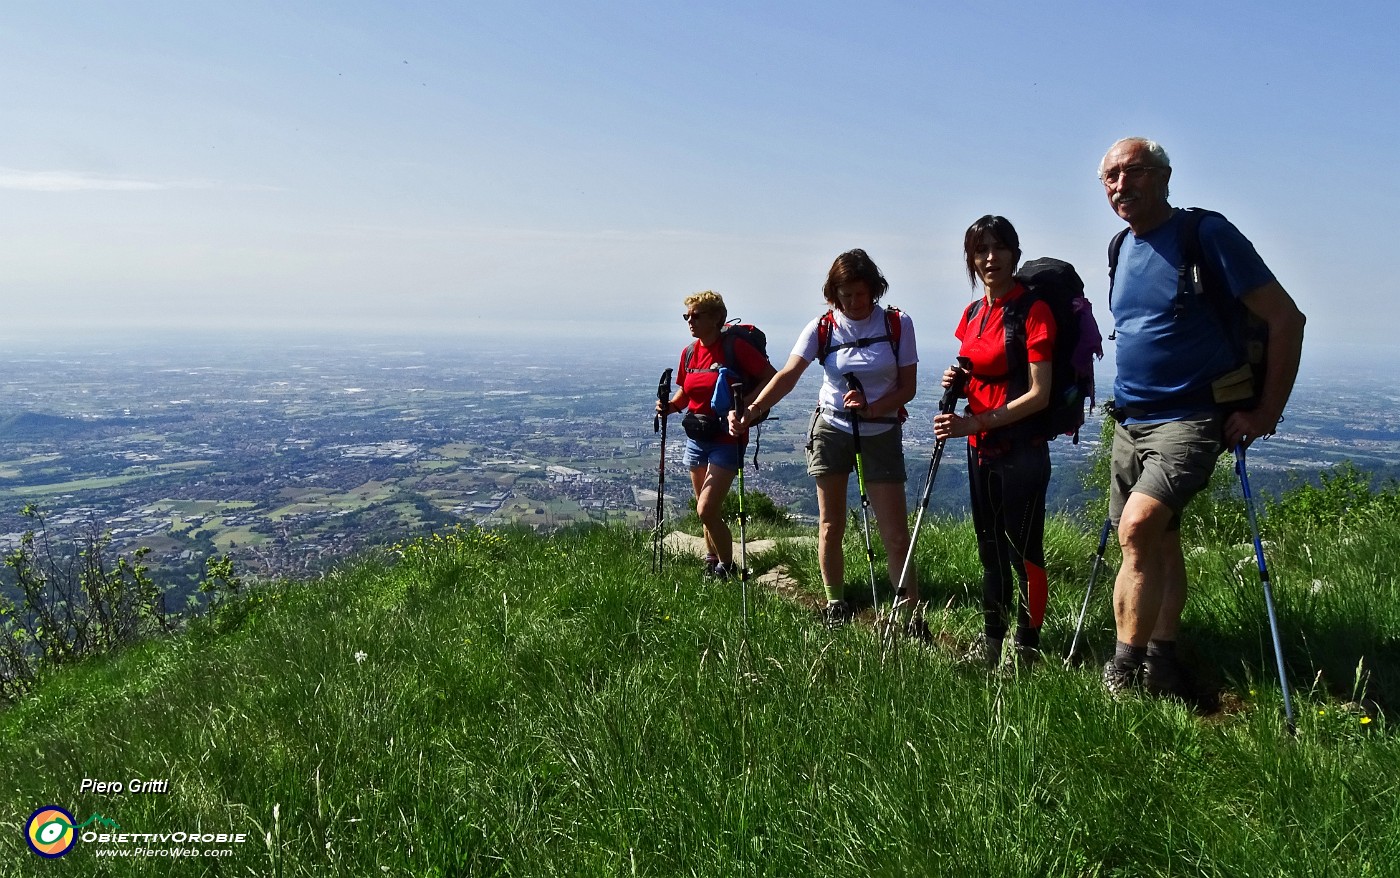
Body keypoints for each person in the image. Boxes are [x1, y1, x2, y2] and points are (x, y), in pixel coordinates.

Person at [1097, 137, 1306, 697]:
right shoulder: (1121, 247)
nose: (1122, 185)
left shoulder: (1205, 235)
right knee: (1155, 539)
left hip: (1189, 417)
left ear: (1164, 176)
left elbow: (1287, 318)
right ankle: (1163, 662)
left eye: (1134, 171)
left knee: (1137, 529)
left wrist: (1267, 411)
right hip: (1131, 417)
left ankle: (1124, 671)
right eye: (1111, 177)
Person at [730, 249, 919, 627]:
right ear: (833, 293)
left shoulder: (897, 324)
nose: (852, 303)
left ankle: (910, 615)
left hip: (880, 431)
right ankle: (836, 603)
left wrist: (872, 407)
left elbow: (908, 388)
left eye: (860, 294)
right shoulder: (822, 327)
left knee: (896, 534)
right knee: (830, 524)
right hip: (832, 427)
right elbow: (787, 374)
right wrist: (753, 411)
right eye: (844, 295)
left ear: (874, 289)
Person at [933, 216, 1054, 669]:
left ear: (1015, 254)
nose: (989, 258)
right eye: (980, 251)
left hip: (1021, 447)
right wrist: (959, 382)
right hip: (980, 447)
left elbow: (1039, 395)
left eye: (998, 248)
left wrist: (973, 422)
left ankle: (1026, 647)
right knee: (989, 551)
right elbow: (978, 367)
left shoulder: (1032, 312)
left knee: (1024, 552)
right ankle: (991, 645)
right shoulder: (972, 315)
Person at [658, 291, 776, 579]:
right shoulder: (689, 352)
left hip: (727, 438)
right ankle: (711, 561)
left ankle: (728, 566)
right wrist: (671, 406)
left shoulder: (735, 347)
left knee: (706, 509)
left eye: (696, 315)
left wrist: (746, 407)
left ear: (717, 318)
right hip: (697, 437)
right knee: (705, 509)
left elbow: (771, 377)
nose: (690, 321)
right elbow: (687, 391)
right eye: (687, 316)